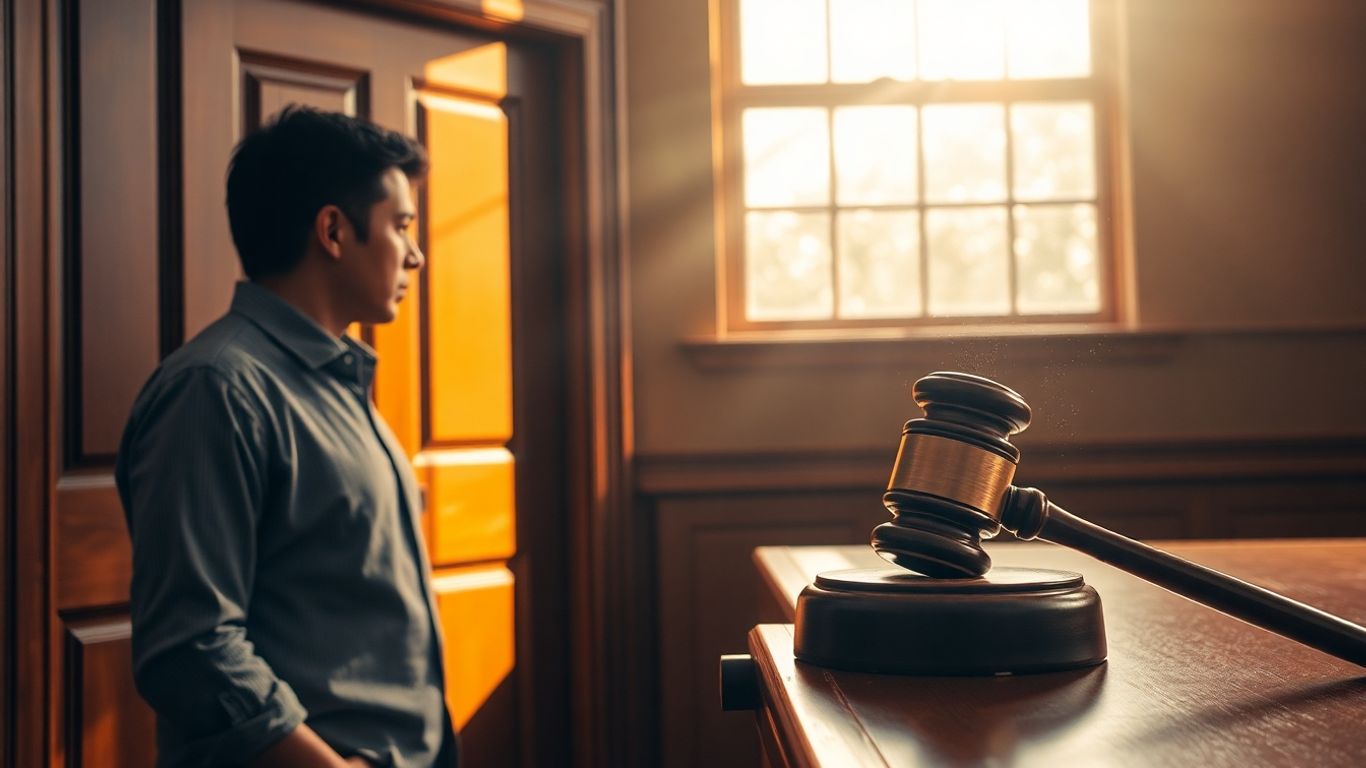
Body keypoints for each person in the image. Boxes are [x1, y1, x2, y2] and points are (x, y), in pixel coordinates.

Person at [115, 106, 456, 768]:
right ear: (333, 230)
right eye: (401, 226)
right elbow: (191, 647)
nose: (415, 254)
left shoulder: (339, 381)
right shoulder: (216, 390)